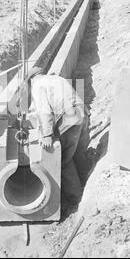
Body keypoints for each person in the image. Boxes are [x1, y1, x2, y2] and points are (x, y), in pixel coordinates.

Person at [26, 67, 87, 206]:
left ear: (31, 80)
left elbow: (44, 111)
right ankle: (87, 183)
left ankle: (75, 199)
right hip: (82, 113)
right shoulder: (57, 78)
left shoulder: (38, 85)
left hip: (69, 119)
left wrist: (47, 134)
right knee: (77, 153)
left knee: (63, 158)